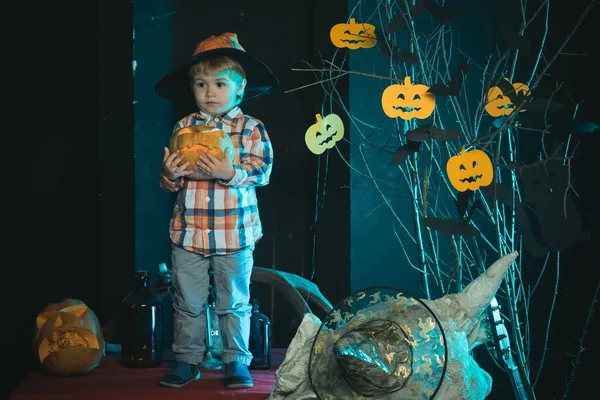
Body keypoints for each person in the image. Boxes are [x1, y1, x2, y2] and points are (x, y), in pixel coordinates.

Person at [153, 32, 279, 389]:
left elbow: (262, 172)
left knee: (234, 301)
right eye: (201, 84)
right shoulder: (183, 127)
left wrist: (230, 173)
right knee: (188, 301)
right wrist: (168, 175)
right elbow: (171, 183)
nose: (210, 93)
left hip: (234, 233)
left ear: (239, 89)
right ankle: (187, 359)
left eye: (220, 84)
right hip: (189, 231)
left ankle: (235, 361)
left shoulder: (251, 129)